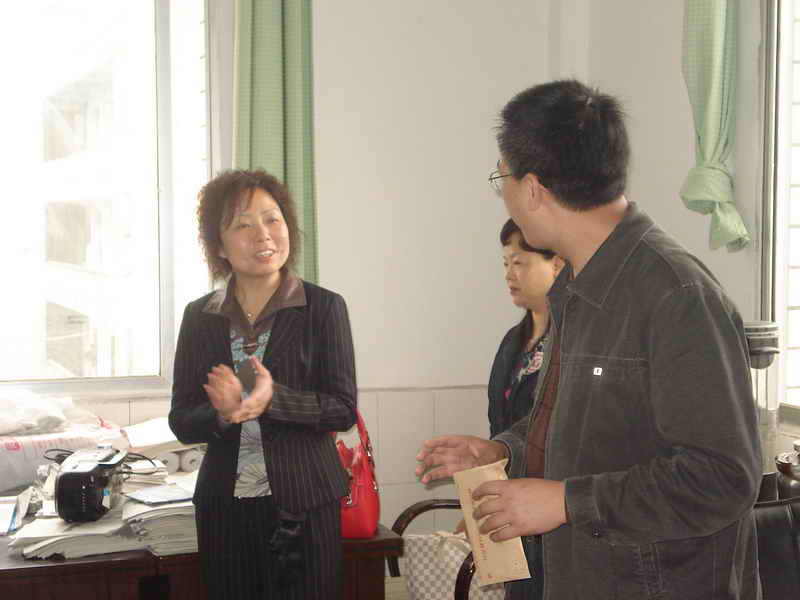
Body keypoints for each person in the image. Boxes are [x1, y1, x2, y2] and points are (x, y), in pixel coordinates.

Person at [416, 80, 762, 600]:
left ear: (533, 189)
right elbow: (589, 431)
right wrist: (504, 450)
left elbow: (723, 477)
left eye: (502, 177)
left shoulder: (676, 296)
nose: (504, 196)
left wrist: (564, 502)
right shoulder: (577, 287)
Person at [168, 169, 357, 599]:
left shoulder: (323, 308)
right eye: (243, 225)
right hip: (225, 508)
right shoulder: (200, 317)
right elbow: (182, 419)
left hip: (305, 503)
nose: (263, 234)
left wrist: (274, 400)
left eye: (272, 219)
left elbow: (342, 408)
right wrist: (222, 414)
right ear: (219, 245)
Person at [489, 219, 564, 438]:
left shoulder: (572, 341)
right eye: (506, 264)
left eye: (518, 263)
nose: (509, 275)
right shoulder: (512, 341)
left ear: (557, 265)